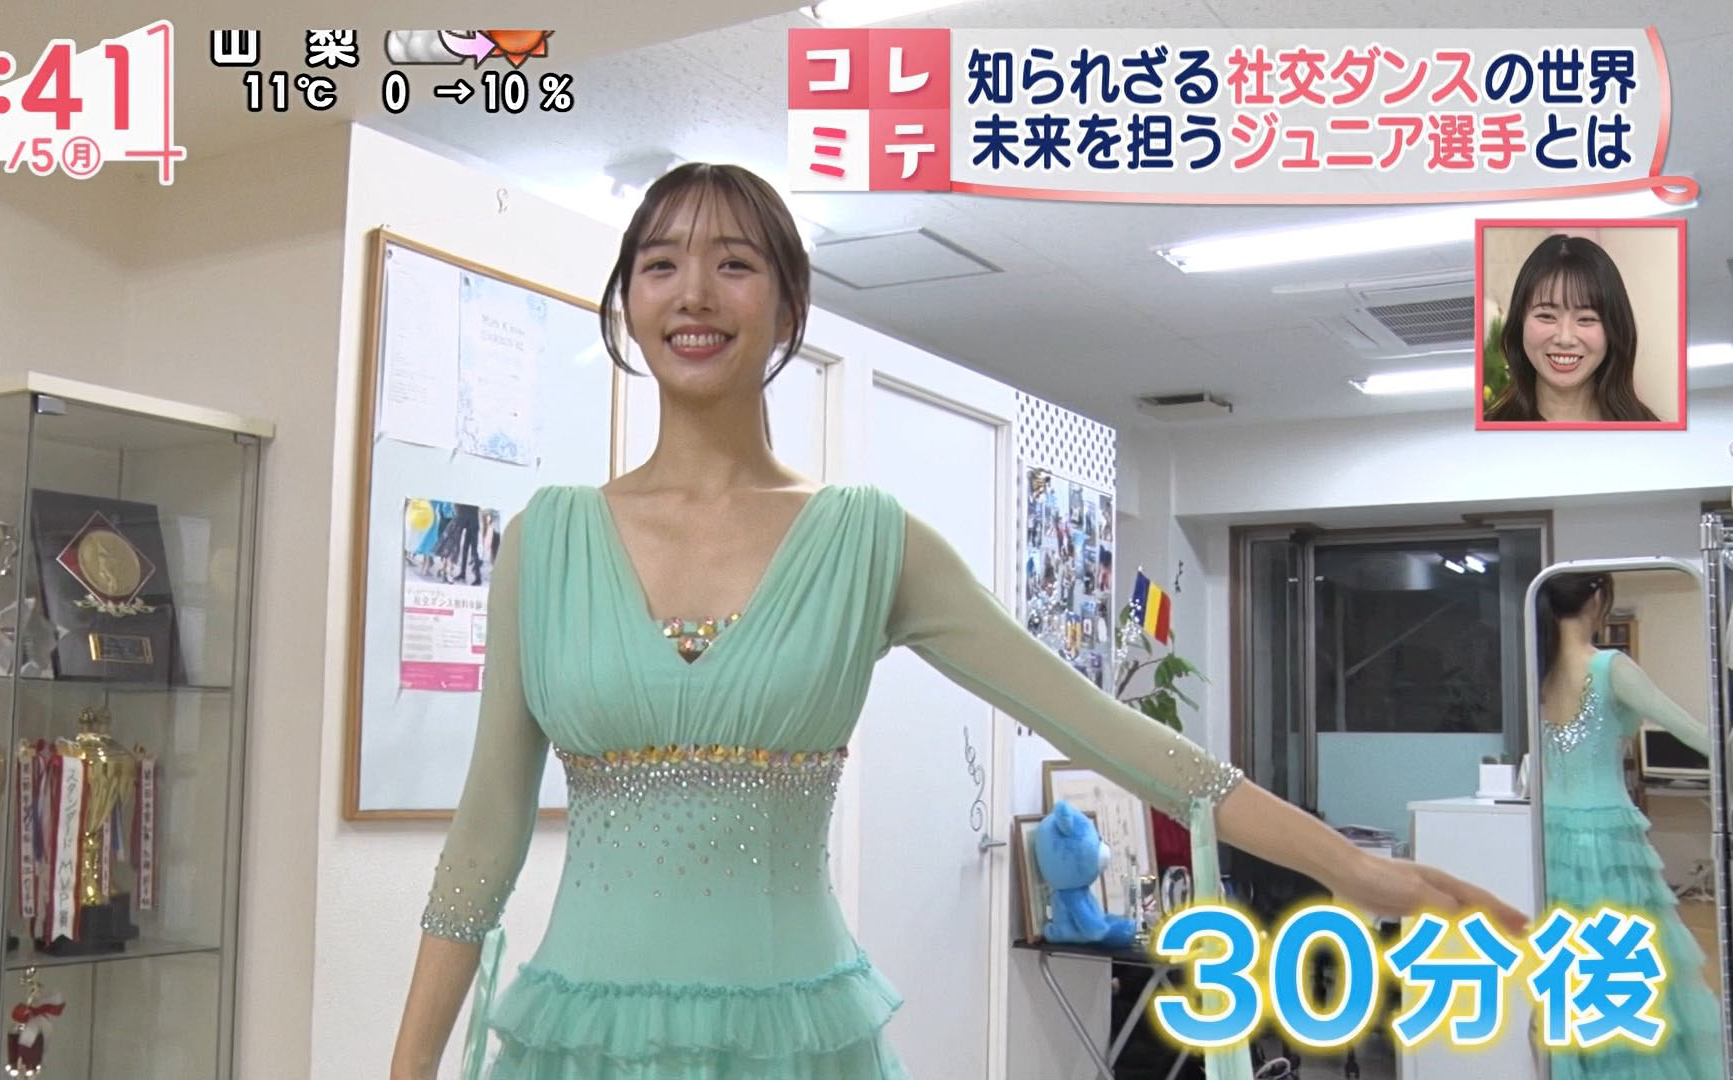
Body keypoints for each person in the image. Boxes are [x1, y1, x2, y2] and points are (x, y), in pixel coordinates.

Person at [390, 162, 1525, 1080]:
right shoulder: (545, 541)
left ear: (787, 305)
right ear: (628, 304)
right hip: (582, 1040)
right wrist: (407, 1068)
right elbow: (484, 838)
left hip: (796, 1040)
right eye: (659, 264)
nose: (693, 293)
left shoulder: (868, 541)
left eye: (733, 263)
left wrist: (1354, 870)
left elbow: (1109, 733)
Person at [1534, 573, 1722, 1080]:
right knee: (1624, 964)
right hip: (1607, 841)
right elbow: (1695, 735)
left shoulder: (1540, 670)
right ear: (1597, 600)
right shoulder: (1609, 666)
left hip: (1550, 836)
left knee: (1569, 963)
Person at [1483, 234, 1662, 423]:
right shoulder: (1488, 432)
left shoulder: (1649, 431)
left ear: (1613, 329)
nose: (1565, 338)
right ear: (1520, 323)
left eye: (1586, 319)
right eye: (1546, 316)